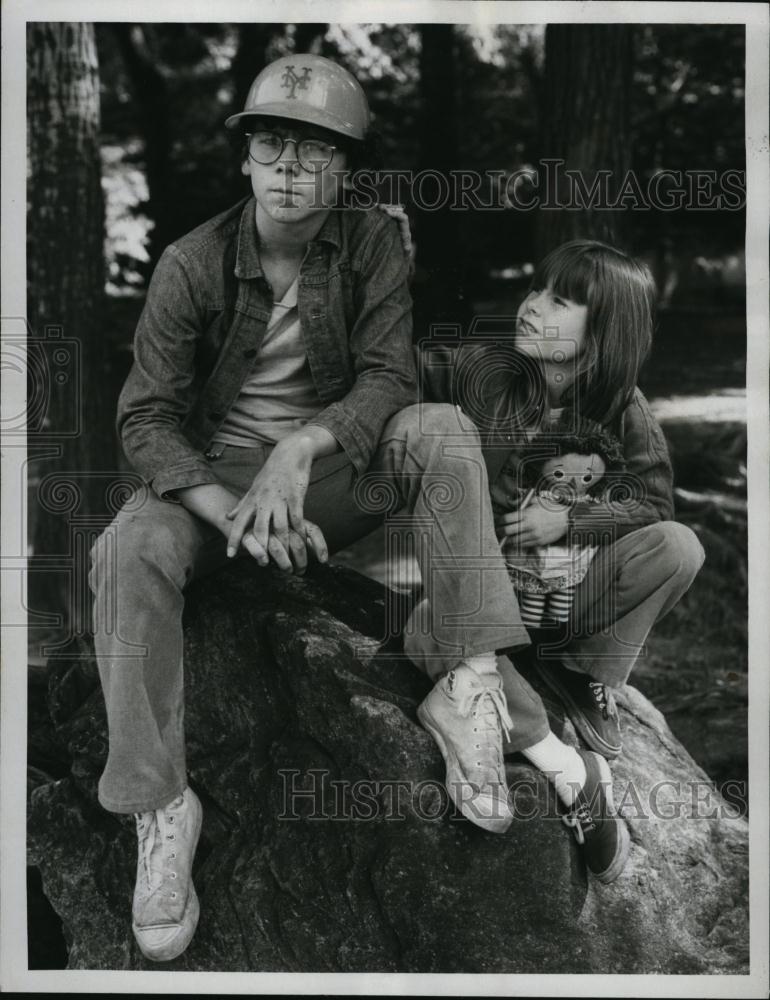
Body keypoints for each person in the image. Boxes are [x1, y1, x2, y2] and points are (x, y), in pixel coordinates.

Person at [88, 53, 538, 964]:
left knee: (441, 428)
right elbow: (144, 418)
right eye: (272, 147)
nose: (290, 168)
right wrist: (238, 510)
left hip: (334, 477)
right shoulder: (190, 264)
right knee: (127, 543)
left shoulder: (370, 244)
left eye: (314, 152)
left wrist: (301, 449)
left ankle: (469, 687)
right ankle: (161, 804)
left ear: (344, 171)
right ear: (246, 162)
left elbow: (387, 380)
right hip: (218, 487)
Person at [417, 238, 705, 884]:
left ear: (603, 334)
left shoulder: (622, 406)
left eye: (561, 301)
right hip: (487, 606)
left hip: (568, 597)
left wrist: (571, 520)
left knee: (680, 547)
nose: (533, 306)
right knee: (426, 626)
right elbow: (404, 368)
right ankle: (568, 769)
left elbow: (656, 501)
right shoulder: (486, 374)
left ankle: (587, 674)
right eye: (536, 289)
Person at [494, 419, 627, 627]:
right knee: (531, 603)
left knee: (562, 604)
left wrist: (573, 518)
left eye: (586, 478)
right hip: (538, 561)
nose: (573, 483)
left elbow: (605, 513)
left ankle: (555, 635)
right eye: (560, 474)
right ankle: (530, 638)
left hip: (570, 562)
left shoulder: (591, 502)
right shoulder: (540, 494)